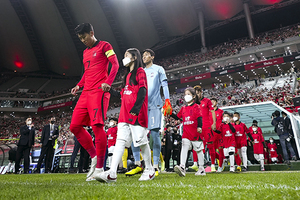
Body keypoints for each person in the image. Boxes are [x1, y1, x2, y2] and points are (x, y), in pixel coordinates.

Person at [69, 23, 119, 181]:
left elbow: (115, 65)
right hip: (85, 93)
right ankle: (94, 156)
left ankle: (99, 169)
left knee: (97, 126)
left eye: (84, 37)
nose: (82, 40)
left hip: (99, 92)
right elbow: (87, 72)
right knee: (74, 126)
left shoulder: (105, 45)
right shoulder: (85, 52)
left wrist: (108, 83)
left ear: (92, 32)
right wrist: (79, 85)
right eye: (80, 38)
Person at [96, 48, 154, 183]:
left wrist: (136, 108)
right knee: (120, 142)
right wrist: (110, 90)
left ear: (134, 57)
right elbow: (122, 95)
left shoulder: (140, 72)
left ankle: (149, 169)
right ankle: (112, 172)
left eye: (126, 55)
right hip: (124, 115)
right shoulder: (127, 76)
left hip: (136, 114)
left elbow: (143, 90)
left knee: (141, 141)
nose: (124, 58)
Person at [126, 49, 172, 177]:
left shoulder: (159, 69)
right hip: (141, 107)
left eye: (147, 55)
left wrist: (167, 100)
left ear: (152, 56)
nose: (144, 57)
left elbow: (164, 85)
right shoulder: (140, 71)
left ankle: (156, 166)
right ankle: (138, 164)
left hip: (154, 105)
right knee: (135, 134)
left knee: (155, 134)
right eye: (143, 55)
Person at [171, 87, 205, 177]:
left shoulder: (196, 107)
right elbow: (178, 117)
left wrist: (199, 127)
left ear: (193, 96)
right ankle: (182, 166)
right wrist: (170, 112)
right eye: (185, 94)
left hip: (195, 132)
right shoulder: (183, 108)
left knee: (198, 150)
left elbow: (199, 118)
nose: (186, 96)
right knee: (184, 147)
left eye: (188, 94)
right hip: (186, 132)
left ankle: (201, 168)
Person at [194, 85, 217, 172]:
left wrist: (214, 123)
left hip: (207, 126)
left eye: (197, 94)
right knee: (197, 145)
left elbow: (212, 111)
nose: (197, 96)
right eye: (195, 94)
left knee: (210, 145)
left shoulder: (207, 101)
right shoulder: (194, 102)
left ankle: (213, 165)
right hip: (198, 127)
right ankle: (196, 164)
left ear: (201, 92)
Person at [210, 98, 224, 172]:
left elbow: (223, 122)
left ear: (217, 102)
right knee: (212, 150)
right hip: (211, 134)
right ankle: (221, 159)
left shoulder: (221, 111)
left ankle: (220, 166)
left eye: (213, 101)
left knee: (221, 150)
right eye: (211, 102)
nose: (212, 103)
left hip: (219, 134)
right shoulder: (209, 112)